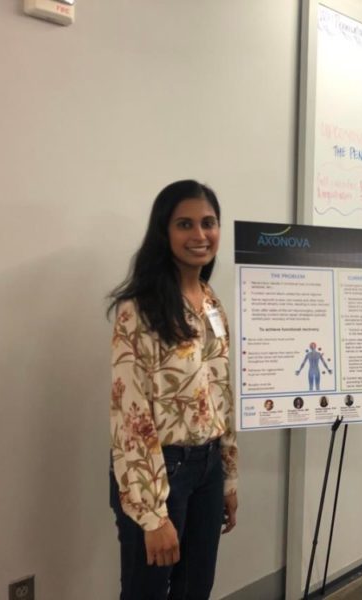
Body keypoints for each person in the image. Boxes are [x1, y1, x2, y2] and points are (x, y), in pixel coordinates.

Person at [108, 180, 239, 599]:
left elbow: (222, 394)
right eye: (185, 224)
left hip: (208, 467)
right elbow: (130, 415)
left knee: (194, 591)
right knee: (146, 593)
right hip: (159, 470)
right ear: (164, 233)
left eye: (208, 223)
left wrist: (228, 478)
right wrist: (152, 516)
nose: (199, 236)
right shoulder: (139, 308)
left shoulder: (211, 301)